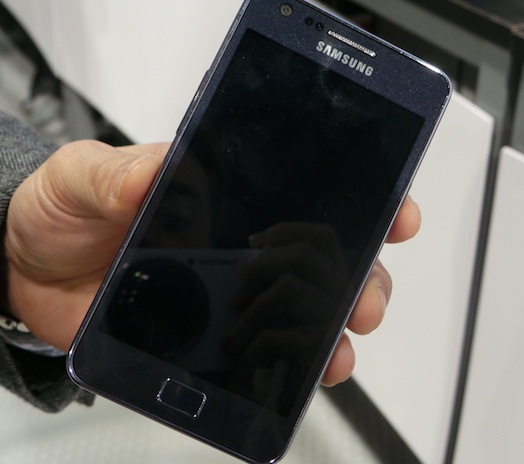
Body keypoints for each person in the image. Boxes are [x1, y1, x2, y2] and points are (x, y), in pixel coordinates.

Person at [0, 110, 421, 412]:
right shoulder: (82, 277)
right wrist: (16, 267)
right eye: (153, 218)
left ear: (212, 238)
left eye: (177, 220)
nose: (154, 251)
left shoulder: (251, 315)